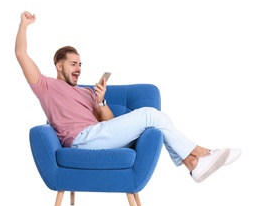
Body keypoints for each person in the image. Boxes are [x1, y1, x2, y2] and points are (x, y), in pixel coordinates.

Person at [15, 11, 241, 183]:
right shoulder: (46, 86)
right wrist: (24, 25)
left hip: (96, 136)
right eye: (73, 64)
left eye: (80, 65)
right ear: (59, 65)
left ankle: (193, 162)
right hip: (80, 141)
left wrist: (101, 100)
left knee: (156, 121)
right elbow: (20, 53)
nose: (78, 68)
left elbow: (110, 124)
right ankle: (200, 154)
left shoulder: (86, 93)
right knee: (151, 114)